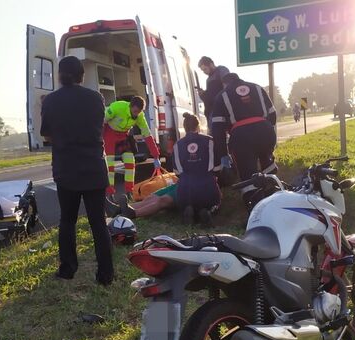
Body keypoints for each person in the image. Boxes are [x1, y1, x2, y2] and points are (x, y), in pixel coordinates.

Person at [41, 56, 113, 285]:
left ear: (59, 76)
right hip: (93, 166)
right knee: (98, 222)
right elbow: (98, 128)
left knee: (68, 220)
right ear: (82, 76)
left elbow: (46, 134)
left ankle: (67, 269)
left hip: (66, 168)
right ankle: (105, 274)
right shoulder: (96, 98)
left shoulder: (50, 101)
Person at [119, 113, 223, 226]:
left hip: (185, 190)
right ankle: (207, 212)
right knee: (215, 201)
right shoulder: (210, 141)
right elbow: (216, 168)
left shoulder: (178, 145)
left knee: (162, 198)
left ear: (184, 128)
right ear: (198, 127)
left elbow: (178, 173)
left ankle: (187, 210)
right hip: (207, 187)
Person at [211, 73, 278, 206]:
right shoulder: (257, 88)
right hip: (265, 131)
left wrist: (223, 155)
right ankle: (275, 196)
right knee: (267, 164)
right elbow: (272, 114)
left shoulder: (222, 95)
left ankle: (256, 208)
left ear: (225, 83)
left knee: (248, 175)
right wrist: (266, 130)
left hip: (242, 137)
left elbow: (217, 129)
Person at [103, 97, 161, 206]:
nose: (136, 115)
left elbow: (147, 134)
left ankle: (129, 192)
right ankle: (109, 194)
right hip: (109, 133)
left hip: (124, 135)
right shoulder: (117, 107)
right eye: (135, 112)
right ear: (130, 106)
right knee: (109, 165)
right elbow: (102, 122)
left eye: (138, 112)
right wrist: (99, 141)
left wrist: (156, 156)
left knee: (130, 162)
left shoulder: (139, 116)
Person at [197, 56, 230, 133]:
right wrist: (203, 94)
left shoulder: (221, 70)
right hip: (211, 110)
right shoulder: (208, 80)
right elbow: (210, 96)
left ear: (211, 65)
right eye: (202, 70)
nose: (204, 72)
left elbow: (227, 86)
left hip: (221, 108)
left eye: (205, 69)